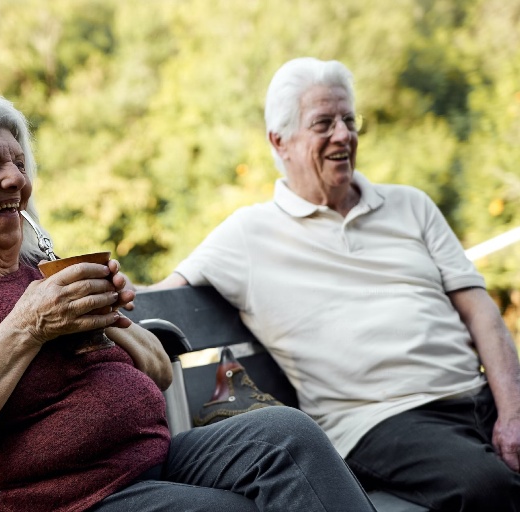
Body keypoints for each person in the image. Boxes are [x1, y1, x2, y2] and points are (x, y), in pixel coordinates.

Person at [0, 92, 376, 512]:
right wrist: (28, 325)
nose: (16, 180)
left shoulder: (36, 273)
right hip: (57, 500)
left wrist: (106, 312)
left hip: (145, 461)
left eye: (20, 163)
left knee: (286, 436)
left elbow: (159, 370)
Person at [142, 57, 520, 511]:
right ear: (279, 142)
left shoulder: (411, 206)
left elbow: (479, 308)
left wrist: (512, 409)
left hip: (475, 397)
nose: (343, 134)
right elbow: (155, 301)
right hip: (378, 421)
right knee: (489, 488)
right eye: (323, 123)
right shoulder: (247, 235)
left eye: (348, 119)